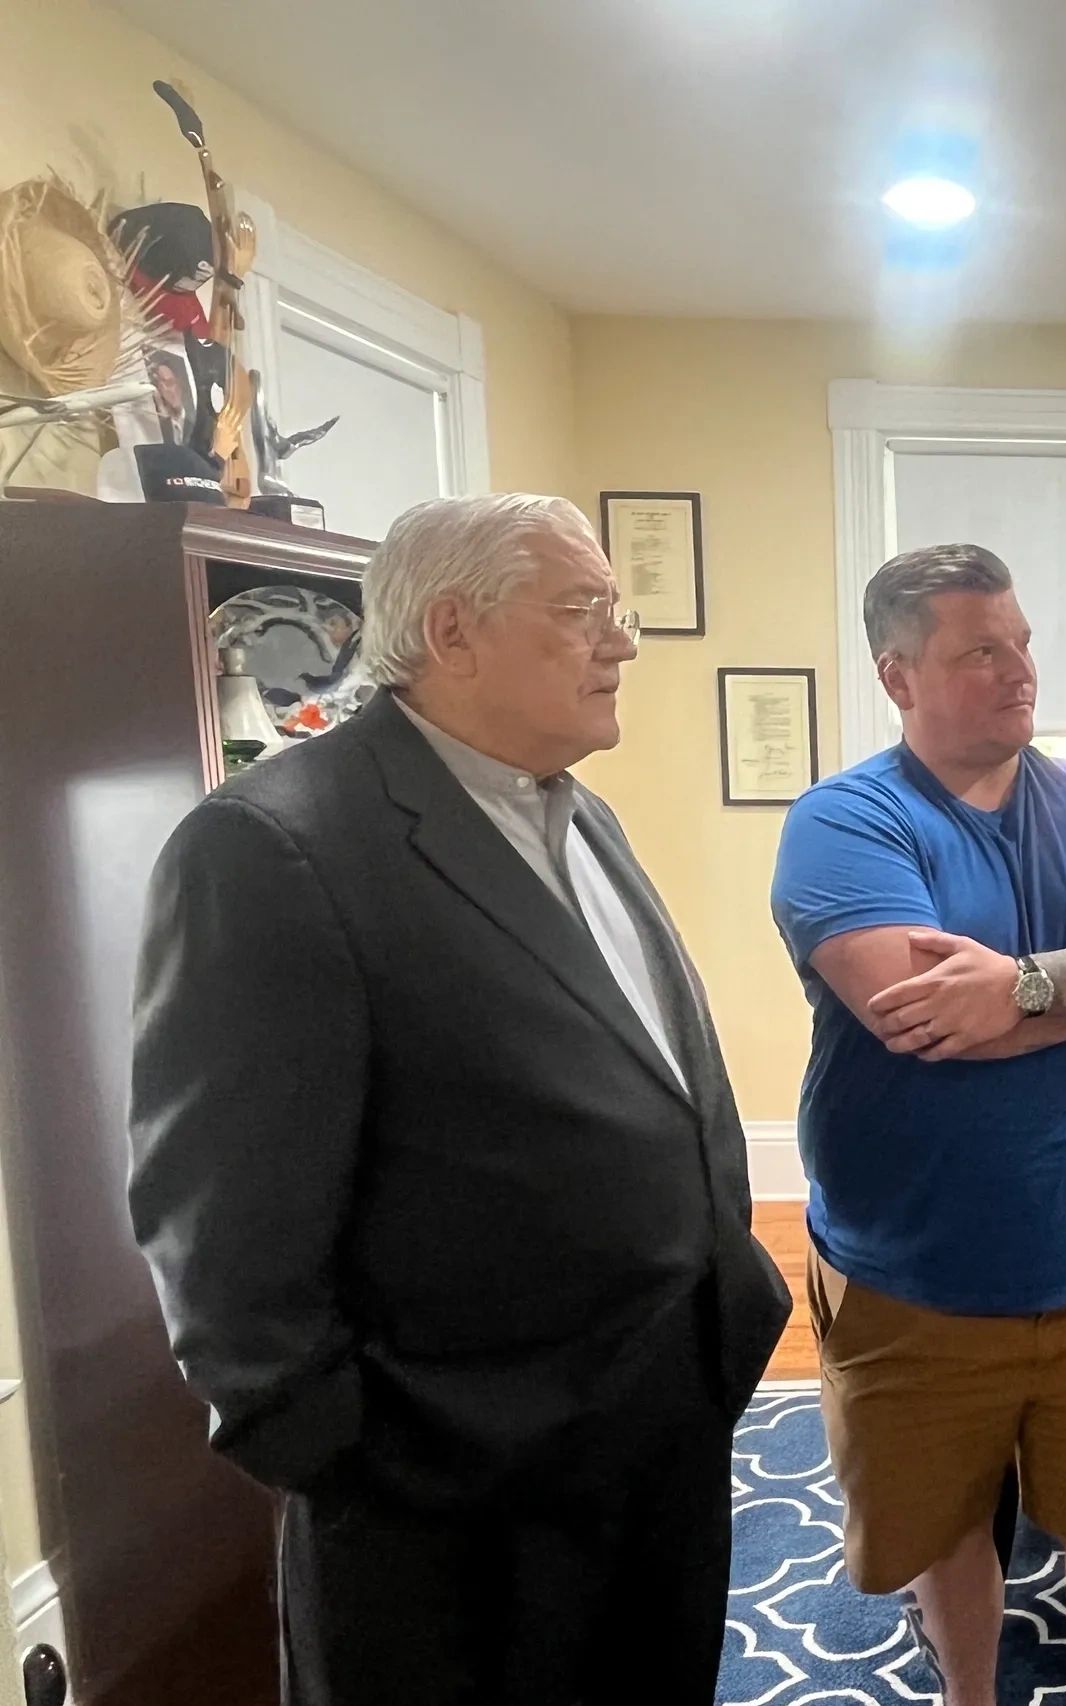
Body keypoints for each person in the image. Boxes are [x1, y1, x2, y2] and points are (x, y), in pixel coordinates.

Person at [129, 493, 791, 1706]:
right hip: (453, 1501)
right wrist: (350, 1459)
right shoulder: (273, 847)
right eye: (582, 608)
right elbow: (223, 1236)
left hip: (658, 1432)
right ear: (451, 631)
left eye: (617, 609)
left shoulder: (578, 810)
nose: (623, 641)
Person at [769, 543, 1066, 1706]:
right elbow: (922, 1022)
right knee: (947, 1531)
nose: (1019, 671)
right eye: (979, 651)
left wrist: (1021, 986)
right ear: (898, 674)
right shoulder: (843, 820)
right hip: (911, 1275)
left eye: (1020, 642)